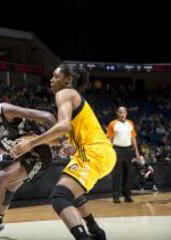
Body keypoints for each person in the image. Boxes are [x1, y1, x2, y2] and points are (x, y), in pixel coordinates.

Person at [0, 84, 106, 240]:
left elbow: (46, 115)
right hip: (25, 156)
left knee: (1, 179)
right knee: (10, 186)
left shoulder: (6, 110)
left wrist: (65, 140)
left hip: (39, 153)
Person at [12, 64, 116, 240]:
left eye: (55, 76)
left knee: (60, 197)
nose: (51, 80)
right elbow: (63, 133)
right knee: (73, 192)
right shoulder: (71, 99)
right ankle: (96, 232)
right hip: (96, 152)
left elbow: (63, 126)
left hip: (93, 151)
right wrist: (37, 139)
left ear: (68, 80)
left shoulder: (65, 93)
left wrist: (32, 142)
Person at [107, 106, 140, 203]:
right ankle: (116, 196)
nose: (122, 114)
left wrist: (136, 151)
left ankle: (127, 196)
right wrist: (109, 151)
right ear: (117, 113)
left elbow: (133, 138)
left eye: (124, 112)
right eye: (120, 112)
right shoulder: (112, 124)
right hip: (117, 149)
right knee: (117, 174)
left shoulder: (130, 123)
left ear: (126, 113)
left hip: (128, 150)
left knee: (128, 173)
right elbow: (110, 138)